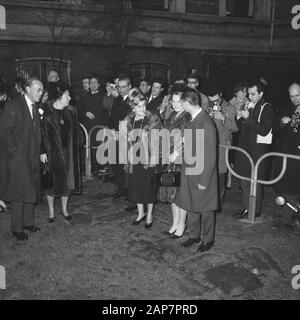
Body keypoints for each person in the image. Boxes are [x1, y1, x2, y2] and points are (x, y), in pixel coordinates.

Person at [0, 77, 43, 241]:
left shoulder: (35, 107)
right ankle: (17, 228)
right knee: (18, 192)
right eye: (38, 90)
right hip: (18, 158)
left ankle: (27, 222)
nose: (41, 93)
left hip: (32, 156)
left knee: (30, 189)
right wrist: (15, 154)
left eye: (42, 90)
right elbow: (6, 133)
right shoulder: (14, 106)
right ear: (27, 89)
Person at [175, 87, 218, 252]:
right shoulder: (193, 118)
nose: (180, 105)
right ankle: (194, 236)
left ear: (186, 102)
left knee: (206, 209)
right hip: (191, 170)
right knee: (191, 205)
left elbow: (209, 155)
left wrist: (204, 181)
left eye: (181, 103)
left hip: (201, 174)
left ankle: (208, 239)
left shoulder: (205, 122)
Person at [40, 82, 81, 223]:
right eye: (67, 95)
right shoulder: (45, 110)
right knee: (52, 182)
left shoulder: (71, 111)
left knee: (67, 181)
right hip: (52, 152)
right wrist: (42, 151)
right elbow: (39, 134)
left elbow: (76, 133)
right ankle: (51, 210)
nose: (69, 98)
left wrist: (77, 146)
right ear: (58, 97)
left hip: (67, 151)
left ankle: (64, 208)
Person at [235, 80, 276, 219]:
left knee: (255, 183)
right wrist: (239, 116)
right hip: (245, 149)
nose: (250, 96)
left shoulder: (267, 108)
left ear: (261, 93)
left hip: (257, 151)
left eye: (253, 94)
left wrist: (249, 117)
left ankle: (255, 210)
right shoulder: (250, 105)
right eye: (249, 93)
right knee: (244, 181)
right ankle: (247, 208)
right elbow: (240, 127)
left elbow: (264, 130)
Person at [123, 92, 162, 228]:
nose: (142, 108)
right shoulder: (129, 119)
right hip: (134, 158)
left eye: (143, 105)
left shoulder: (153, 118)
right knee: (137, 186)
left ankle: (150, 215)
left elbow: (159, 138)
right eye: (138, 106)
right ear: (132, 107)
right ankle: (140, 213)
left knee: (149, 187)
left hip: (149, 157)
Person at [158, 83, 191, 238]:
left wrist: (177, 153)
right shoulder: (171, 116)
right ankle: (175, 222)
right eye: (173, 101)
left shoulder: (188, 118)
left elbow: (189, 141)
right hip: (169, 158)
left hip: (181, 160)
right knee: (171, 192)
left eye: (179, 101)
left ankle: (182, 224)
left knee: (180, 194)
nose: (176, 104)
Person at [206, 84, 238, 209]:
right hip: (208, 145)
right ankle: (207, 200)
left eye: (215, 99)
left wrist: (224, 118)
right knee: (208, 175)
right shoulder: (206, 106)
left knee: (220, 176)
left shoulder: (230, 108)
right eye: (210, 100)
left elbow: (235, 128)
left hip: (222, 145)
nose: (213, 102)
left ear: (220, 95)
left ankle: (217, 204)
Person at [273, 83, 300, 199]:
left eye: (297, 95)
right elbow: (275, 129)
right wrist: (282, 123)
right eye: (291, 96)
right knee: (285, 190)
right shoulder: (285, 108)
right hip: (286, 153)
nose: (294, 99)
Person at [109, 77, 132, 199]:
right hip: (115, 135)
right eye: (119, 87)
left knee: (126, 164)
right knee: (116, 163)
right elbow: (112, 116)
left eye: (124, 87)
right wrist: (112, 130)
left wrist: (123, 133)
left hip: (127, 136)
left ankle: (128, 191)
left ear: (129, 86)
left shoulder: (132, 100)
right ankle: (120, 188)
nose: (121, 89)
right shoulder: (117, 99)